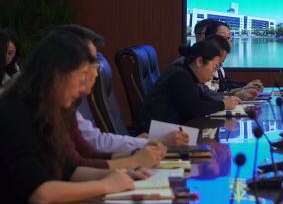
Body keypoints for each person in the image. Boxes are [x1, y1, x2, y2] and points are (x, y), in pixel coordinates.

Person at [0, 30, 136, 204]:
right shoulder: (16, 113)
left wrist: (121, 175)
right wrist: (104, 185)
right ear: (57, 76)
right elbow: (40, 193)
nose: (84, 90)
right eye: (81, 78)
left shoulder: (48, 109)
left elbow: (71, 171)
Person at [56, 23, 188, 152]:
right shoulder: (51, 112)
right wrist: (147, 146)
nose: (96, 73)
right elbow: (86, 156)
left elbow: (96, 142)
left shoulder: (67, 107)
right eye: (92, 64)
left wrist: (145, 143)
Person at [138, 40, 241, 129]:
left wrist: (226, 101)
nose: (214, 73)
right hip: (156, 134)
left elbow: (202, 99)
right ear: (199, 61)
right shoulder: (179, 76)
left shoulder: (187, 73)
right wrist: (223, 104)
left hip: (169, 129)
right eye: (214, 67)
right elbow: (195, 108)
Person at [193, 18, 263, 97]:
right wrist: (235, 95)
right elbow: (204, 98)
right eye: (223, 38)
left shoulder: (218, 67)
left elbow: (223, 88)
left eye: (229, 37)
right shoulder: (197, 66)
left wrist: (245, 88)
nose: (228, 42)